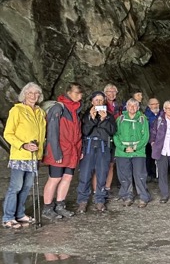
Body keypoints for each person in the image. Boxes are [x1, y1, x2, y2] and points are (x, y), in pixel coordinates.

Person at [2, 82, 46, 229]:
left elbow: (41, 135)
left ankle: (20, 214)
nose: (33, 96)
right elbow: (8, 133)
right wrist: (24, 144)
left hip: (34, 156)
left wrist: (40, 152)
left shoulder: (40, 112)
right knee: (16, 186)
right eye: (30, 93)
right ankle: (8, 217)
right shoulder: (17, 110)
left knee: (27, 187)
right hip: (20, 154)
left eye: (36, 93)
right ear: (24, 95)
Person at [41, 82, 83, 219]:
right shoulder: (58, 108)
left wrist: (79, 150)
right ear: (68, 93)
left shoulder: (75, 110)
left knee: (67, 178)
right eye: (77, 92)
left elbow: (78, 133)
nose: (79, 95)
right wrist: (56, 151)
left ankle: (60, 205)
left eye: (80, 93)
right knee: (54, 178)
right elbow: (52, 132)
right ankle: (47, 208)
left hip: (71, 150)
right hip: (59, 150)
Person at [76, 91, 116, 213]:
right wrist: (92, 119)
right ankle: (82, 201)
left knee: (102, 174)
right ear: (92, 101)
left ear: (104, 101)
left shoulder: (109, 115)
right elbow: (84, 131)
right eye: (96, 100)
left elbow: (112, 131)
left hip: (103, 147)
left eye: (101, 100)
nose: (98, 102)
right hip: (88, 146)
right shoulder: (86, 115)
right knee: (85, 174)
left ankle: (100, 200)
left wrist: (104, 119)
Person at [114, 98, 151, 207]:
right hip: (122, 152)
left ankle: (143, 196)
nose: (132, 108)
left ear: (138, 107)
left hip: (138, 152)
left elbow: (146, 136)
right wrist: (123, 148)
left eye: (135, 106)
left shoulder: (143, 119)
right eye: (130, 105)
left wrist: (135, 147)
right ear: (126, 106)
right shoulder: (120, 119)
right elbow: (115, 135)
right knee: (125, 175)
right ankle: (127, 195)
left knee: (140, 174)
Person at [102, 83, 122, 196]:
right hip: (104, 137)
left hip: (116, 136)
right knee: (101, 163)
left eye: (114, 91)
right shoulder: (101, 105)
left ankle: (107, 188)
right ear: (105, 93)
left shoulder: (118, 106)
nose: (112, 93)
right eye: (109, 91)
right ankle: (99, 188)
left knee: (111, 164)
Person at [144, 98, 161, 182]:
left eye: (157, 103)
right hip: (148, 140)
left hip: (159, 141)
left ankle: (156, 175)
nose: (156, 105)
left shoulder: (162, 114)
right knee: (148, 158)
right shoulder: (145, 115)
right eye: (153, 104)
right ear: (149, 105)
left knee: (157, 158)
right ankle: (148, 174)